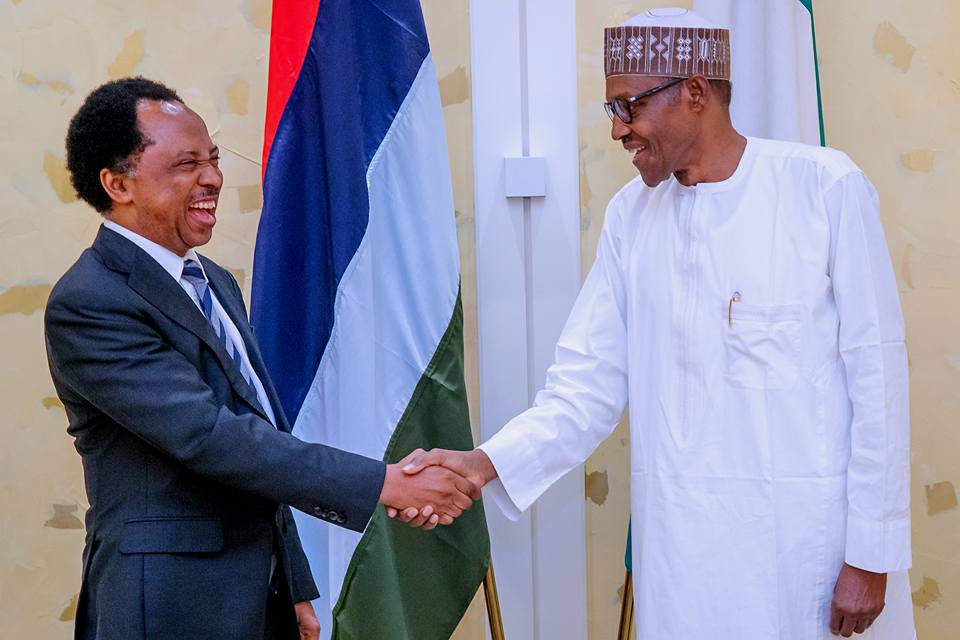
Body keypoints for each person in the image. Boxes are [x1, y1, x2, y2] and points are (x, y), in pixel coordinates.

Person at [398, 9, 915, 640]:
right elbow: (583, 391)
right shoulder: (630, 218)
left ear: (695, 93)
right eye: (612, 109)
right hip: (683, 561)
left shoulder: (825, 189)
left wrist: (872, 553)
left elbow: (879, 384)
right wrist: (482, 466)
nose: (618, 129)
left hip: (806, 556)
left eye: (628, 106)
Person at [45, 77, 478, 640]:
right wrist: (382, 483)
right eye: (185, 164)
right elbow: (209, 437)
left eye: (214, 159)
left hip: (256, 597)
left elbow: (261, 429)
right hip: (168, 605)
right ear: (117, 184)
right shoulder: (91, 301)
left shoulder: (216, 283)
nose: (213, 178)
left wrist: (292, 583)